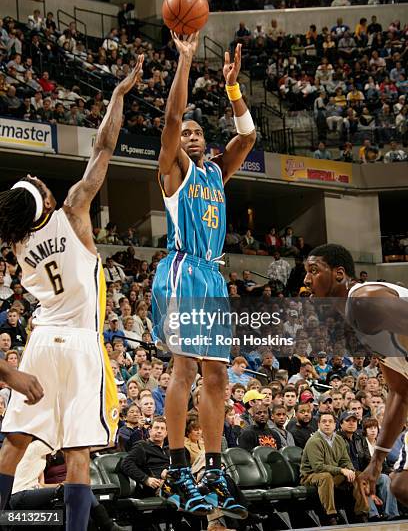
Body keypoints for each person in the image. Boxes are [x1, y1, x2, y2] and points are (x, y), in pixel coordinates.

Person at [0, 57, 144, 530]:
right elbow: (104, 146)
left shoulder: (18, 243)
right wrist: (118, 96)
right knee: (79, 450)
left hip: (40, 342)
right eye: (41, 184)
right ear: (43, 200)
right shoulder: (74, 210)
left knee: (16, 442)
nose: (45, 182)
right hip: (80, 343)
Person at [151, 33, 255, 518]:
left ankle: (211, 471)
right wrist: (185, 61)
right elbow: (172, 117)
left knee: (217, 375)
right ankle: (176, 467)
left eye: (196, 133)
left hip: (212, 277)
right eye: (184, 133)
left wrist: (233, 90)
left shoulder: (215, 173)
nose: (188, 135)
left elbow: (249, 138)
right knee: (185, 368)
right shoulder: (173, 170)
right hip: (182, 269)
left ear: (206, 142)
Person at [303, 242, 408, 509]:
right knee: (402, 486)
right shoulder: (358, 321)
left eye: (314, 271)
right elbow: (400, 392)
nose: (306, 280)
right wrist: (377, 460)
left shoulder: (365, 301)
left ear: (339, 274)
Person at [300, 412, 369, 526]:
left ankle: (361, 514)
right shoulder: (314, 441)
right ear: (318, 424)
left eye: (330, 421)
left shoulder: (338, 440)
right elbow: (318, 467)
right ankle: (330, 516)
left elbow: (345, 460)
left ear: (335, 424)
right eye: (324, 421)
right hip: (310, 476)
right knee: (325, 477)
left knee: (358, 475)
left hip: (332, 475)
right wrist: (342, 470)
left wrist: (350, 470)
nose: (327, 424)